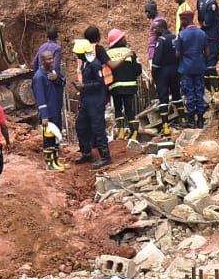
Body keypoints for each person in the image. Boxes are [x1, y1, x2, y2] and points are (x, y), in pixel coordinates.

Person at [71, 33, 112, 169]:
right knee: (81, 126)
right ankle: (86, 153)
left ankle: (105, 156)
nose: (76, 56)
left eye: (77, 54)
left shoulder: (94, 64)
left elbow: (101, 83)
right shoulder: (85, 64)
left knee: (98, 128)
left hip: (95, 101)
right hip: (87, 100)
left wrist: (85, 86)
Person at [105, 28, 141, 141]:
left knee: (118, 109)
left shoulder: (107, 54)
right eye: (123, 38)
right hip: (129, 86)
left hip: (115, 87)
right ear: (119, 41)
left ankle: (120, 133)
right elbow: (137, 70)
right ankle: (134, 132)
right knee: (129, 108)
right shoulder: (130, 52)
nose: (125, 39)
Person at [33, 49, 66, 172]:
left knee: (56, 136)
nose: (52, 61)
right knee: (49, 138)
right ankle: (50, 163)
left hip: (56, 110)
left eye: (52, 58)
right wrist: (44, 116)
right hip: (48, 113)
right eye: (49, 59)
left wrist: (56, 78)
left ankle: (56, 160)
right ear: (42, 60)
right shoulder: (39, 77)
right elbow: (40, 97)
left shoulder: (53, 71)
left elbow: (63, 81)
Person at [150, 17, 183, 134]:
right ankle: (183, 120)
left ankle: (165, 127)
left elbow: (157, 59)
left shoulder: (161, 40)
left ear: (161, 28)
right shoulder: (176, 37)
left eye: (155, 28)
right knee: (177, 96)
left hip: (163, 72)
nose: (154, 31)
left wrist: (154, 74)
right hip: (176, 70)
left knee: (163, 99)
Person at [176, 9, 208, 129]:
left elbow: (177, 54)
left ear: (186, 19)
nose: (181, 22)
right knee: (199, 91)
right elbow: (207, 52)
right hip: (200, 67)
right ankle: (200, 119)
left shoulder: (182, 34)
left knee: (189, 92)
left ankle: (191, 120)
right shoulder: (202, 33)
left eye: (182, 19)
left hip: (186, 68)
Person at [197, 0, 219, 92]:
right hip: (212, 35)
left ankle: (206, 88)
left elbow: (200, 19)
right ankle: (213, 90)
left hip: (204, 34)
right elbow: (209, 21)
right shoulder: (211, 2)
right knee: (211, 61)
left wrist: (203, 25)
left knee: (206, 60)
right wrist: (205, 25)